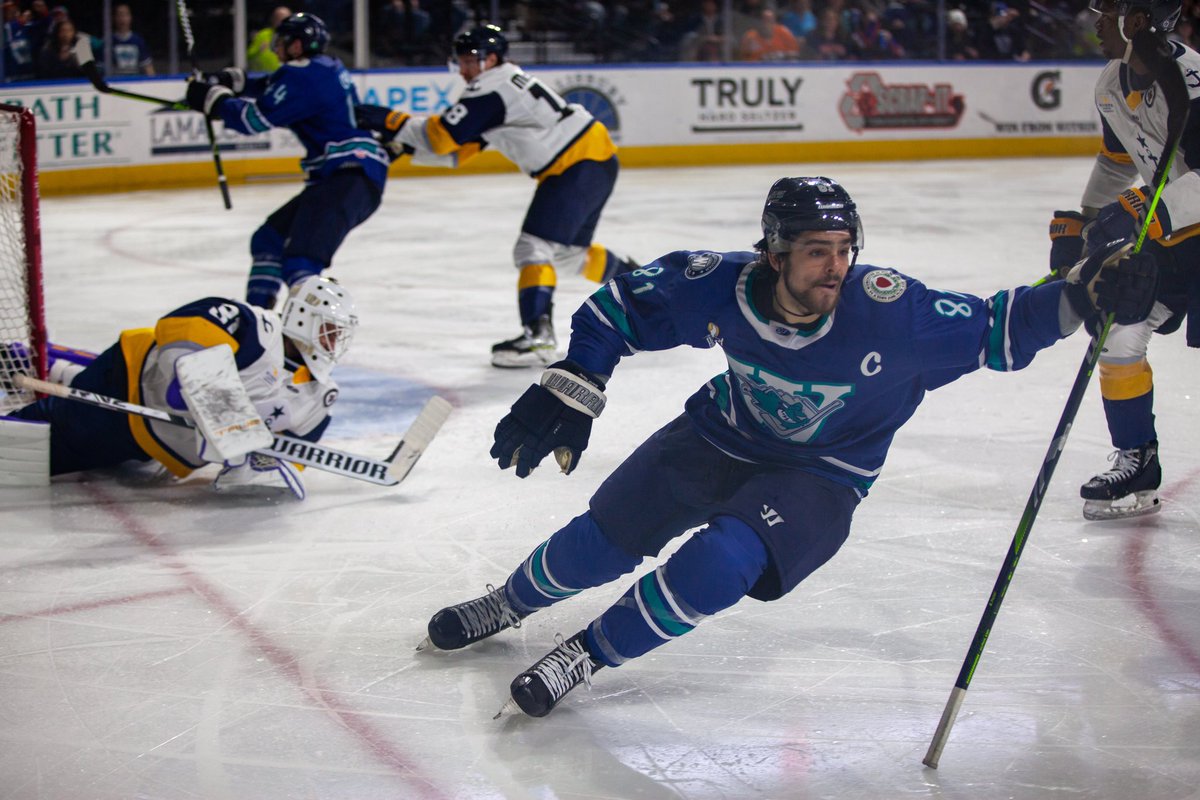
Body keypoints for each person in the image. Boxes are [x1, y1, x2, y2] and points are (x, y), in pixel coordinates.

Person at [416, 176, 1159, 719]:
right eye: (815, 251)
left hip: (824, 474)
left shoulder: (891, 314)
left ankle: (589, 652)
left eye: (843, 249)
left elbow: (1006, 326)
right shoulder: (719, 285)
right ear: (773, 254)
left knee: (720, 564)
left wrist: (1088, 290)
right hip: (718, 434)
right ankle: (505, 603)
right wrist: (576, 381)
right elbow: (621, 308)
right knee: (599, 544)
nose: (834, 266)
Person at [355, 23, 636, 368]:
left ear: (490, 59)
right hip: (592, 161)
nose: (463, 69)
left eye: (470, 60)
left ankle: (538, 337)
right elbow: (458, 152)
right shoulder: (503, 86)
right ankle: (640, 286)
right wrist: (406, 147)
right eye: (460, 61)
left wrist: (389, 120)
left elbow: (441, 137)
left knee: (533, 248)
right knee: (567, 255)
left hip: (575, 165)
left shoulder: (492, 90)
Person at [1046, 0, 1200, 519]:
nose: (1095, 22)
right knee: (1119, 329)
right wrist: (1087, 220)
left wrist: (1140, 210)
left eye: (1106, 11)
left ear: (1136, 21)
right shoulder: (1111, 83)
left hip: (1178, 221)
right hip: (1175, 233)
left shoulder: (1195, 80)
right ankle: (1138, 461)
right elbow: (1118, 160)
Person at [3, 276, 356, 499]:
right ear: (301, 318)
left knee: (105, 456)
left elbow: (277, 470)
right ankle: (37, 364)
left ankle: (60, 370)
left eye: (339, 334)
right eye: (329, 330)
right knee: (25, 452)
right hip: (123, 386)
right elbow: (182, 329)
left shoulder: (317, 399)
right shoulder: (254, 326)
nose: (334, 342)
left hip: (152, 446)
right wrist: (222, 412)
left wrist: (261, 463)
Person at [185, 12, 390, 312]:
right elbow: (268, 85)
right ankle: (258, 320)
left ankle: (309, 342)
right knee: (268, 240)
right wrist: (227, 81)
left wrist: (213, 100)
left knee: (301, 262)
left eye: (281, 42)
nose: (276, 48)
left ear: (297, 46)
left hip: (348, 175)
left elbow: (251, 120)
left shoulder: (302, 76)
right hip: (347, 177)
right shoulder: (323, 66)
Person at [108, 2, 152, 76]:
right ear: (114, 18)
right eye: (119, 15)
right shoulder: (109, 41)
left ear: (130, 17)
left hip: (135, 82)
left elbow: (148, 67)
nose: (122, 19)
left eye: (125, 15)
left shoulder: (138, 40)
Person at [246, 5, 291, 73]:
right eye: (278, 18)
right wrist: (258, 50)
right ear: (273, 19)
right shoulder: (263, 35)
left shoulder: (294, 36)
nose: (281, 22)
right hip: (262, 75)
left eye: (284, 19)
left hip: (286, 74)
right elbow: (248, 55)